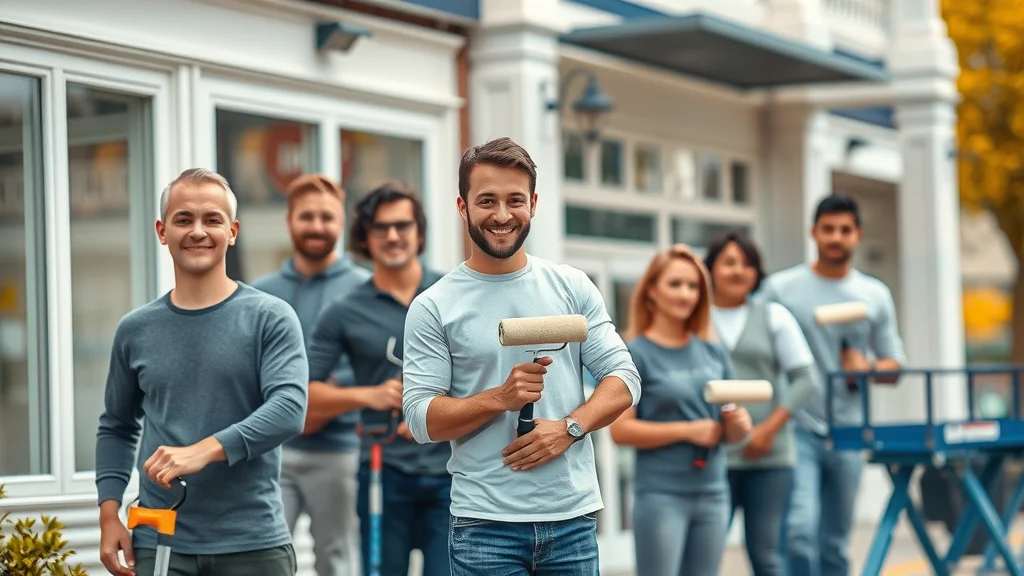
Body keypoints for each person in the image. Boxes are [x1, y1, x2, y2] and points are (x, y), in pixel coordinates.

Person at [400, 136, 641, 576]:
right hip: (483, 527)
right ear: (462, 206)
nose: (502, 215)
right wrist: (501, 397)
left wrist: (569, 429)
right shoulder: (434, 306)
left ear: (533, 203)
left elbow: (624, 378)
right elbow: (421, 419)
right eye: (486, 200)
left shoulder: (571, 286)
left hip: (572, 520)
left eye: (515, 200)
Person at [95, 168, 308, 576]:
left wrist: (203, 451)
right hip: (159, 541)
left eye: (212, 219)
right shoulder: (135, 329)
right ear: (162, 231)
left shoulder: (271, 318)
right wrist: (109, 513)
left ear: (233, 231)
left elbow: (289, 409)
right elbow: (116, 426)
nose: (197, 231)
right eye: (183, 219)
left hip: (253, 544)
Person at [305, 181, 453, 576]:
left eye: (402, 226)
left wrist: (432, 409)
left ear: (419, 233)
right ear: (364, 240)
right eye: (380, 228)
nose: (392, 236)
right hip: (382, 474)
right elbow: (302, 395)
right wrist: (368, 396)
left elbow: (489, 372)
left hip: (454, 472)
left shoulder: (454, 293)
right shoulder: (343, 311)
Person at [759, 194, 906, 576]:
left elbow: (895, 365)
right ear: (814, 232)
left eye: (844, 230)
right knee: (799, 532)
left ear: (857, 235)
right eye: (828, 229)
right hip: (798, 426)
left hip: (849, 430)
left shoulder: (874, 295)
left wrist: (868, 366)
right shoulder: (780, 289)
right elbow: (755, 348)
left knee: (836, 543)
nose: (836, 237)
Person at [608, 243, 753, 576]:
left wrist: (739, 426)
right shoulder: (633, 353)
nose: (685, 294)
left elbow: (730, 428)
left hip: (714, 493)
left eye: (693, 286)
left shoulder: (714, 353)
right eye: (675, 284)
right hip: (661, 495)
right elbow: (620, 430)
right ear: (652, 292)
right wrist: (689, 430)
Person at [251, 174, 371, 576]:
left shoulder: (365, 289)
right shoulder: (260, 294)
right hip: (271, 453)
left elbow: (377, 370)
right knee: (261, 560)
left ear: (341, 223)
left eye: (327, 217)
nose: (317, 226)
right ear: (289, 221)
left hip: (338, 453)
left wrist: (323, 402)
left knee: (336, 561)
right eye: (307, 217)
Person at [703, 230, 819, 576]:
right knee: (706, 555)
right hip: (714, 455)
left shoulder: (774, 316)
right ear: (710, 270)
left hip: (768, 456)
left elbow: (806, 380)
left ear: (757, 274)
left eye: (747, 264)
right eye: (729, 263)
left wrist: (767, 431)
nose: (738, 271)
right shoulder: (695, 320)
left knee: (767, 555)